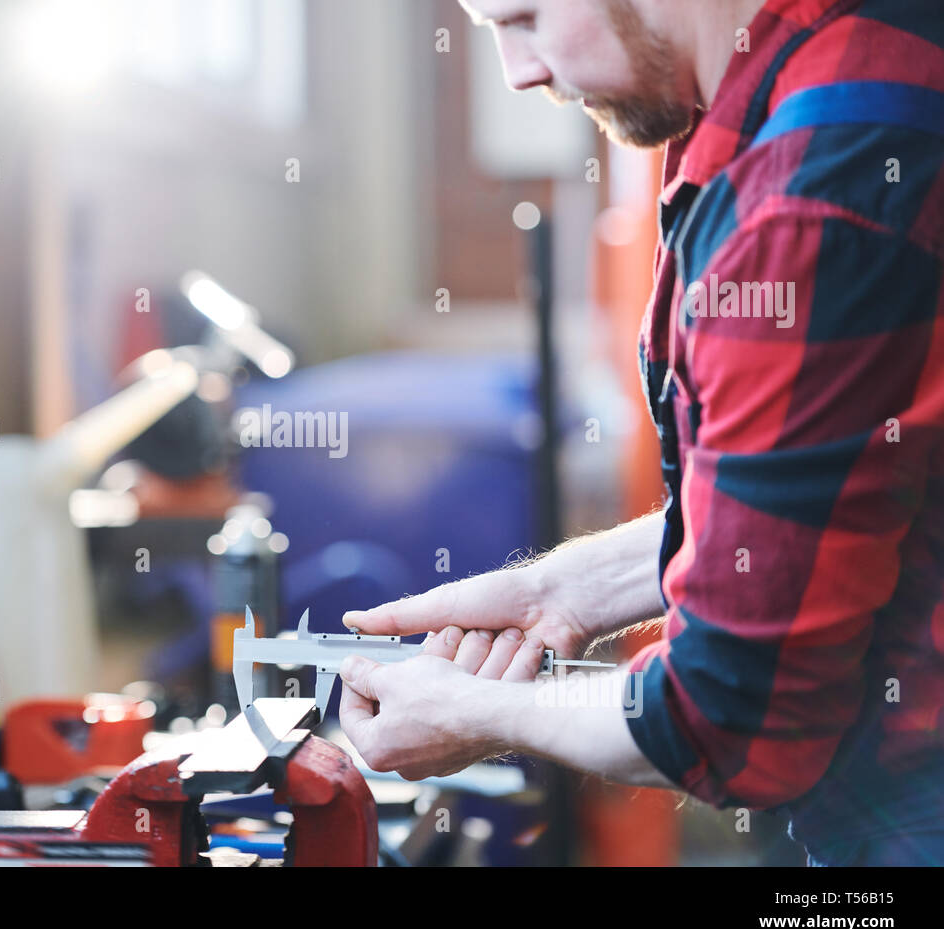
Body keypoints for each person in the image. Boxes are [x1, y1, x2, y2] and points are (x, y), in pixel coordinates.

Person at [337, 0, 944, 866]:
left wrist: (482, 715)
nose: (520, 71)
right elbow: (846, 492)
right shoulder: (824, 72)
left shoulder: (808, 196)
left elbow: (735, 719)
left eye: (525, 18)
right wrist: (569, 589)